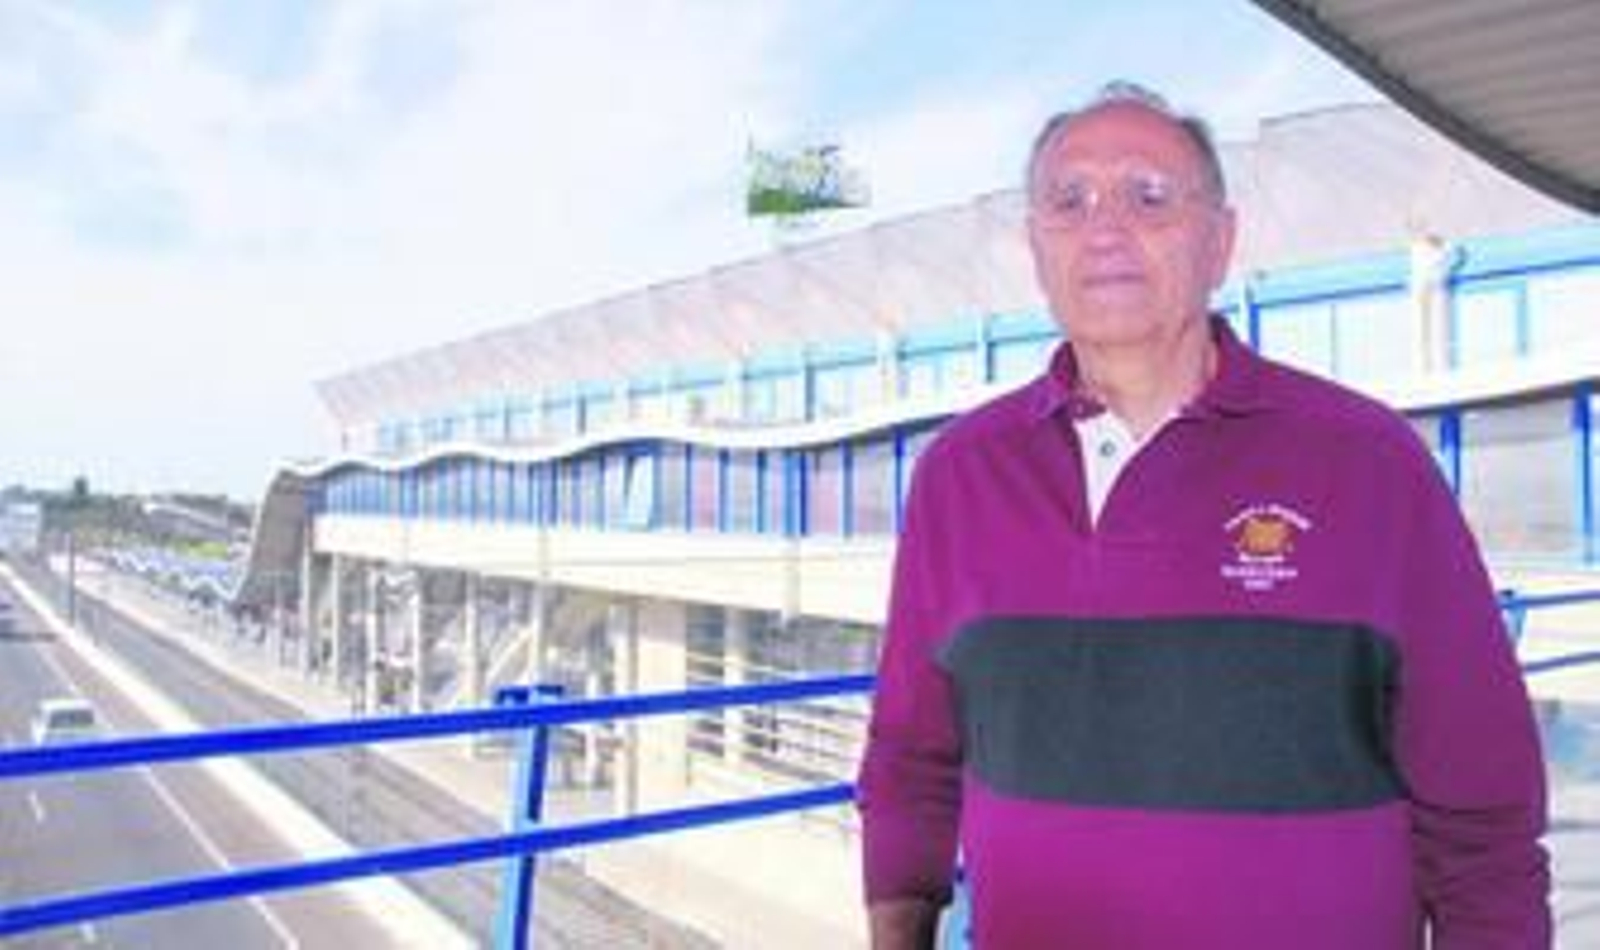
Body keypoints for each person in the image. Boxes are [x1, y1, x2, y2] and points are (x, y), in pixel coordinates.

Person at [857, 82, 1549, 949]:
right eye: (1068, 201)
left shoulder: (1372, 465)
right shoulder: (959, 476)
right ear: (1035, 248)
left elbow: (1484, 827)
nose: (1104, 226)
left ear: (1220, 243)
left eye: (1148, 195)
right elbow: (910, 760)